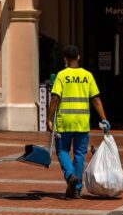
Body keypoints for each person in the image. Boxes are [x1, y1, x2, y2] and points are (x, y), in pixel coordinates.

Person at [47, 44, 110, 199]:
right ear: (79, 57)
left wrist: (49, 118)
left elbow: (55, 98)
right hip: (82, 122)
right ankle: (77, 189)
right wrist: (104, 119)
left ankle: (70, 177)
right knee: (80, 154)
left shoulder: (62, 75)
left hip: (65, 122)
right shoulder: (87, 76)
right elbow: (95, 99)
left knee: (62, 151)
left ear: (65, 59)